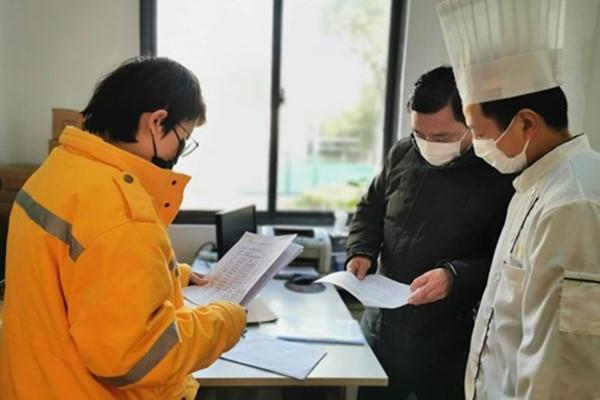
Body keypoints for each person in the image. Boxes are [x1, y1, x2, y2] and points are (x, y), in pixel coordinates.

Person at [0, 57, 246, 399]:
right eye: (183, 137)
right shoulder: (122, 210)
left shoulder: (59, 171)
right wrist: (227, 321)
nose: (180, 151)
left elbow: (77, 274)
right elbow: (139, 357)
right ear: (156, 122)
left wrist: (171, 276)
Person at [437, 0, 600, 398]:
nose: (477, 146)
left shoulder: (573, 205)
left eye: (479, 132)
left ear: (526, 122)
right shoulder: (534, 186)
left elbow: (560, 372)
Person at [345, 66, 515, 400]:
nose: (427, 145)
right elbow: (370, 210)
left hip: (447, 341)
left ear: (471, 124)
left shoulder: (498, 175)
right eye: (419, 134)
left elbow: (505, 259)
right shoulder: (402, 153)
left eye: (441, 138)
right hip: (383, 328)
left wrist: (454, 276)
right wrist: (361, 249)